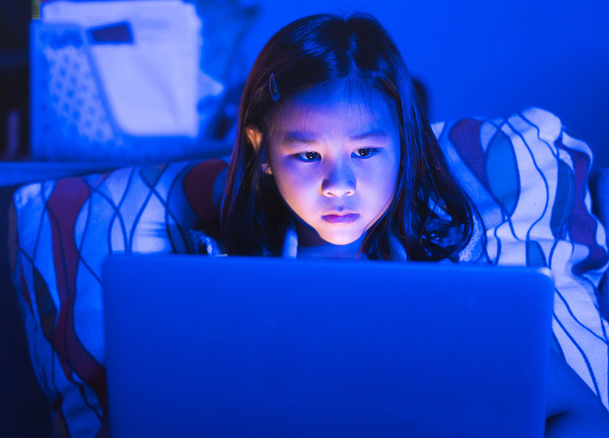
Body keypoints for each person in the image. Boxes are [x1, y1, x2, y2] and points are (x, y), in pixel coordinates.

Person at [201, 12, 609, 435]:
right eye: (308, 155)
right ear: (261, 149)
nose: (338, 185)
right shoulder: (218, 285)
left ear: (404, 144)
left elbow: (583, 415)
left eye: (364, 152)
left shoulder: (462, 286)